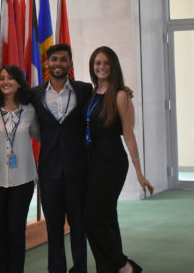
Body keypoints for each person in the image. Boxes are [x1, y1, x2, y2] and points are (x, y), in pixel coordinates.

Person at [83, 46, 154, 273]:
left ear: (113, 66)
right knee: (106, 216)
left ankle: (124, 265)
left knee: (92, 216)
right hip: (92, 160)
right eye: (97, 63)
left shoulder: (121, 95)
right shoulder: (92, 92)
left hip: (111, 161)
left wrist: (139, 172)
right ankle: (108, 268)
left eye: (105, 63)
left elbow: (129, 135)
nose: (101, 67)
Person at [30, 44, 92, 273]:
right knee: (53, 229)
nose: (58, 63)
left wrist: (123, 91)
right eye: (54, 59)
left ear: (70, 63)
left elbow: (104, 97)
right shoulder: (34, 93)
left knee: (78, 227)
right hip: (49, 173)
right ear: (47, 63)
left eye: (63, 60)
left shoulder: (84, 90)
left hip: (78, 172)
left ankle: (80, 269)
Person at [0, 65, 40, 273]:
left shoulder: (30, 110)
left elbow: (41, 135)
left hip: (23, 180)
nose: (5, 82)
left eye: (10, 78)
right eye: (1, 78)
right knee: (0, 231)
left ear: (19, 82)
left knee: (16, 229)